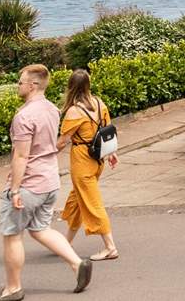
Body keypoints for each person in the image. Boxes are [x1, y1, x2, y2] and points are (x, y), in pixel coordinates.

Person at [0, 64, 92, 301]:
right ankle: (77, 264)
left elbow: (21, 155)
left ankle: (13, 288)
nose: (18, 85)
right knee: (41, 229)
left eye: (20, 82)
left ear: (33, 85)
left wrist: (14, 189)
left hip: (29, 184)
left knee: (12, 234)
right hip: (50, 180)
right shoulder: (52, 110)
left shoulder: (24, 116)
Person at [58, 70, 119, 262]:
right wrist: (112, 153)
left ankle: (110, 247)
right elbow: (107, 130)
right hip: (97, 159)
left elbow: (62, 142)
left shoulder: (74, 112)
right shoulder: (99, 103)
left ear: (71, 87)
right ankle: (65, 243)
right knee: (79, 199)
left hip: (82, 161)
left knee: (92, 204)